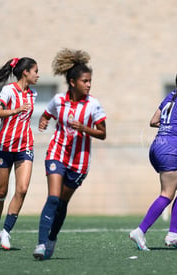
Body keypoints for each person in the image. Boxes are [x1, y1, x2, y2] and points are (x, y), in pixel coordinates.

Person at [33, 49, 107, 260]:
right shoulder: (58, 100)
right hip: (57, 152)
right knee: (54, 198)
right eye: (85, 81)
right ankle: (40, 244)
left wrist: (84, 128)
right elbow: (47, 113)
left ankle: (52, 237)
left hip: (80, 162)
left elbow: (102, 133)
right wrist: (44, 120)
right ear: (73, 82)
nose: (89, 84)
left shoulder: (93, 104)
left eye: (90, 81)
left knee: (62, 203)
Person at [129, 67, 177, 251]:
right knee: (166, 195)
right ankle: (139, 231)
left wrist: (172, 127)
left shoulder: (171, 95)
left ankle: (173, 235)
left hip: (157, 146)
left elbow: (153, 121)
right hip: (171, 149)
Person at [0, 57, 39, 251]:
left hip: (25, 147)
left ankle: (5, 232)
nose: (37, 75)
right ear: (25, 72)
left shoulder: (33, 94)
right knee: (1, 192)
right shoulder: (9, 91)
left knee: (22, 189)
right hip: (4, 147)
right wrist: (15, 110)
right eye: (35, 71)